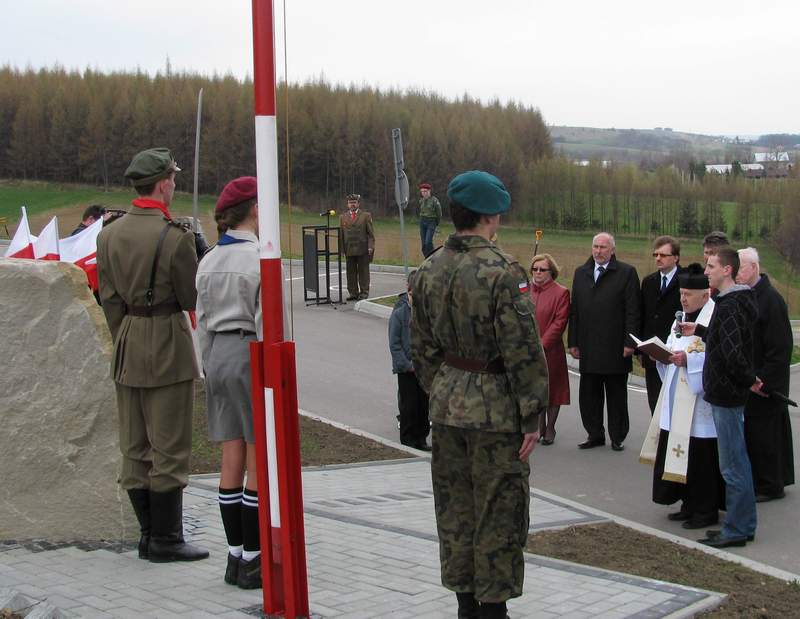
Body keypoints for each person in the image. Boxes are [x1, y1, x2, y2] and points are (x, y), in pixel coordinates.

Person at [411, 170, 548, 619]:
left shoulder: (428, 268)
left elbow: (422, 348)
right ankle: (492, 612)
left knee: (455, 512)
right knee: (498, 513)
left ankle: (465, 607)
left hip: (447, 404)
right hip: (495, 412)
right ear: (492, 215)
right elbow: (523, 349)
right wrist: (533, 414)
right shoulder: (503, 272)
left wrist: (445, 389)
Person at [96, 147, 208, 563]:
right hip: (167, 343)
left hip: (127, 341)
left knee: (135, 446)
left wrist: (126, 335)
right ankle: (166, 539)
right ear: (162, 184)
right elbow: (190, 296)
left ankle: (147, 535)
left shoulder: (108, 235)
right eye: (174, 180)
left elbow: (109, 301)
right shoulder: (176, 237)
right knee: (170, 447)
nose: (175, 185)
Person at [196, 176, 263, 589]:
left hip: (217, 352)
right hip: (247, 350)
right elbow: (266, 319)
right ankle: (254, 558)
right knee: (257, 452)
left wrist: (209, 364)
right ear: (254, 210)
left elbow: (201, 321)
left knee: (230, 453)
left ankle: (234, 555)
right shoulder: (257, 258)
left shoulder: (208, 260)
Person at [679, 247, 761, 548]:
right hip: (731, 391)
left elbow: (732, 353)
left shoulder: (728, 305)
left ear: (727, 270)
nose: (707, 271)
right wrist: (700, 329)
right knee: (737, 459)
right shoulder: (733, 303)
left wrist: (748, 379)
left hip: (727, 394)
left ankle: (737, 528)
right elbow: (727, 338)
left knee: (732, 464)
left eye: (711, 266)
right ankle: (744, 523)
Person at [651, 264, 725, 530]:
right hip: (677, 395)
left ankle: (705, 511)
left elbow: (718, 356)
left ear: (705, 295)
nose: (683, 298)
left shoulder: (713, 318)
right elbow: (673, 344)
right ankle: (687, 503)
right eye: (681, 293)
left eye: (688, 294)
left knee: (701, 460)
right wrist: (661, 354)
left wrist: (689, 361)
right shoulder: (680, 316)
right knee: (682, 454)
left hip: (700, 402)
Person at [568, 232, 640, 451]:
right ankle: (594, 433)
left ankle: (617, 436)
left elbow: (633, 311)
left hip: (616, 346)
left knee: (616, 394)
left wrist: (630, 342)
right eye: (595, 247)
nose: (598, 251)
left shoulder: (626, 273)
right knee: (589, 394)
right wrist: (573, 341)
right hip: (588, 345)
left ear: (613, 250)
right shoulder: (581, 273)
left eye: (603, 247)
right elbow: (575, 310)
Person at [736, 247, 795, 502]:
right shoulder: (745, 296)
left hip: (763, 383)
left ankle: (771, 485)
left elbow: (780, 348)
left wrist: (763, 380)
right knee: (753, 436)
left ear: (754, 268)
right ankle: (759, 480)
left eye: (740, 268)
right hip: (747, 379)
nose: (736, 273)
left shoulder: (771, 300)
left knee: (766, 437)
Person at [639, 236, 684, 414]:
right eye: (656, 254)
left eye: (663, 255)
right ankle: (657, 440)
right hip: (652, 353)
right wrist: (641, 349)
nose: (658, 258)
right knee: (655, 402)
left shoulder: (686, 280)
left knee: (674, 404)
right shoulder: (649, 282)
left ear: (676, 257)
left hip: (676, 352)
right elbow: (643, 315)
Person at [529, 253, 570, 445]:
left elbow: (559, 322)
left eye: (542, 269)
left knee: (553, 389)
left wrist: (542, 345)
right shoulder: (524, 290)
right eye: (534, 269)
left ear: (551, 271)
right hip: (527, 349)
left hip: (550, 350)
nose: (537, 272)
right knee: (534, 389)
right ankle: (538, 425)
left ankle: (550, 427)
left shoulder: (561, 293)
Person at [388, 270, 430, 451]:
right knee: (409, 406)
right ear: (408, 290)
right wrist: (406, 364)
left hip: (423, 367)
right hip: (406, 369)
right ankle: (408, 439)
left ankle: (421, 437)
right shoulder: (399, 313)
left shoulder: (426, 311)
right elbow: (394, 343)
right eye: (414, 294)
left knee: (423, 405)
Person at [339, 193, 375, 300]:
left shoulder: (366, 216)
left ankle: (364, 293)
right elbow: (341, 234)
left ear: (358, 204)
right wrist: (341, 250)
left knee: (363, 272)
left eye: (354, 202)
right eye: (350, 203)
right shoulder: (342, 217)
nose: (352, 205)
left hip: (363, 249)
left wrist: (370, 247)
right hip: (349, 249)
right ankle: (353, 293)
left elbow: (371, 234)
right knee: (350, 273)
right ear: (347, 204)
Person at [418, 182, 442, 258]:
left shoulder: (434, 201)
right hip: (422, 222)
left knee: (428, 242)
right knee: (424, 244)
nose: (423, 193)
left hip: (431, 222)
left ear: (429, 191)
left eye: (425, 191)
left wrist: (436, 223)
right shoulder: (421, 201)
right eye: (422, 191)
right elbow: (421, 212)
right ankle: (427, 259)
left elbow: (439, 214)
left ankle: (434, 257)